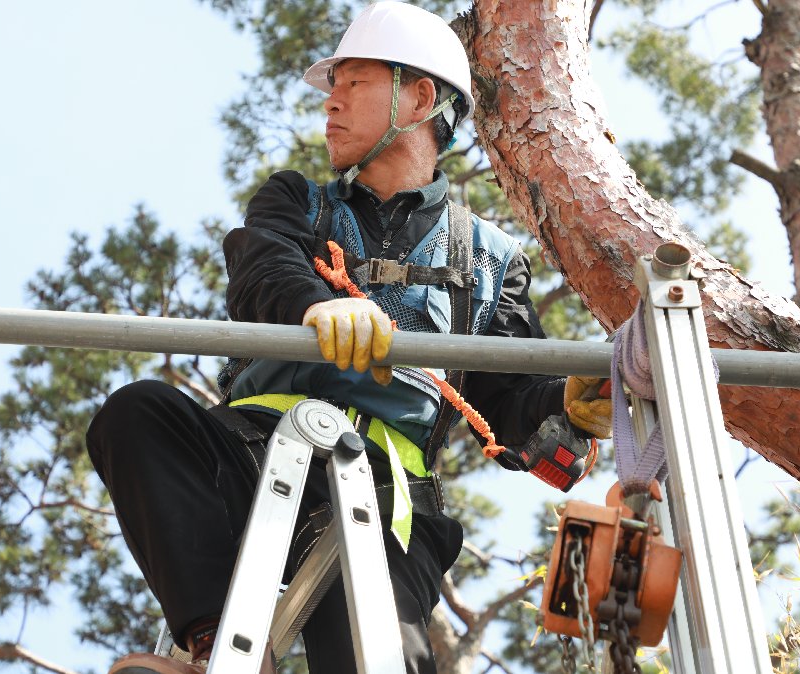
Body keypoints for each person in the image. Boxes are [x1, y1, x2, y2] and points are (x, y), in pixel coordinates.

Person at [85, 3, 612, 673]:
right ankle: (218, 648)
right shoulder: (298, 203)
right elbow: (262, 265)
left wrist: (566, 403)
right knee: (138, 415)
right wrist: (315, 307)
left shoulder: (492, 260)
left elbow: (506, 398)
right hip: (257, 450)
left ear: (420, 96)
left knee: (377, 657)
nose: (330, 102)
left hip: (387, 494)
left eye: (353, 82)